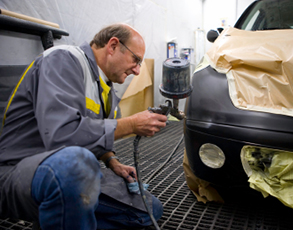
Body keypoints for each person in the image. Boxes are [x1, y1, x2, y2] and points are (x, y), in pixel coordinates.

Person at [0, 23, 168, 229]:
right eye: (136, 59)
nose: (137, 70)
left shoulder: (107, 90)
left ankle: (60, 219)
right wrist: (132, 124)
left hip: (72, 171)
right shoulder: (62, 59)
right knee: (76, 164)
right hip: (19, 174)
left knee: (150, 209)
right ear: (113, 45)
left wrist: (111, 159)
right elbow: (62, 136)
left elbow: (90, 133)